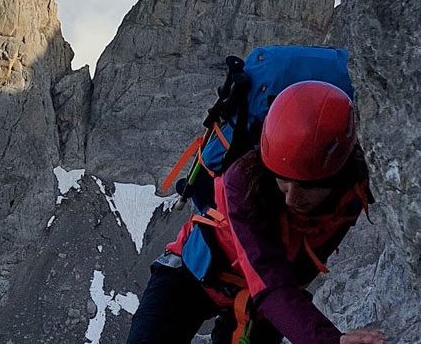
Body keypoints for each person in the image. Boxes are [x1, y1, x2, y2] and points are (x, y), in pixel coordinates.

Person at [126, 80, 388, 344]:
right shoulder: (241, 180)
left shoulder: (357, 189)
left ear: (336, 174)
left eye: (306, 186)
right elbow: (268, 277)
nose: (291, 198)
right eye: (282, 181)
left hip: (264, 302)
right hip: (190, 278)